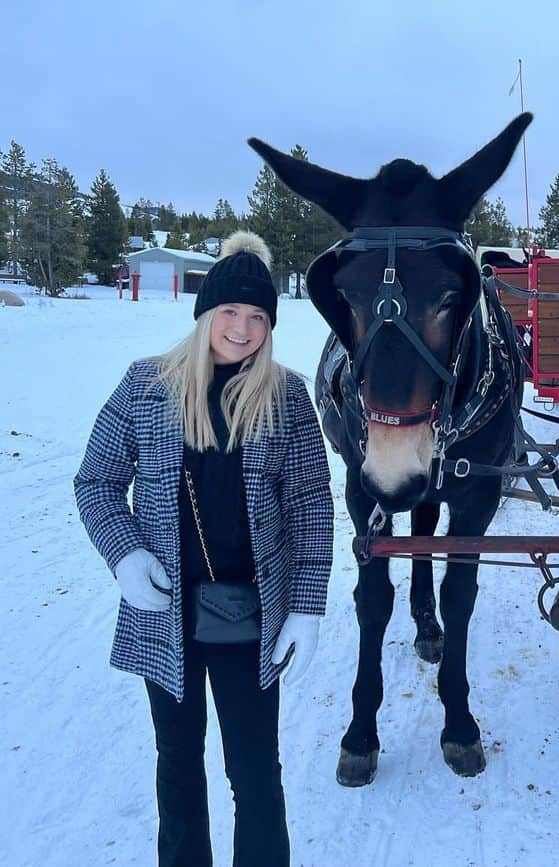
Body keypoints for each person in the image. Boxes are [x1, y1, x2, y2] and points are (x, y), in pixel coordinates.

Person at [74, 231, 334, 867]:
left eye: (257, 317)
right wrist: (125, 553)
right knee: (178, 768)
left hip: (251, 621)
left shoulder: (287, 396)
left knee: (254, 774)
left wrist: (306, 605)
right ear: (205, 314)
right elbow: (97, 481)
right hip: (166, 619)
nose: (242, 329)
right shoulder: (145, 386)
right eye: (230, 313)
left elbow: (311, 505)